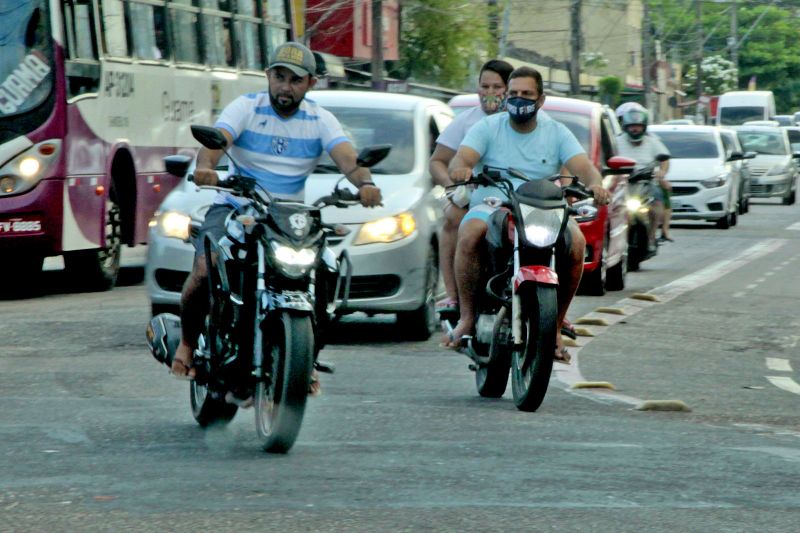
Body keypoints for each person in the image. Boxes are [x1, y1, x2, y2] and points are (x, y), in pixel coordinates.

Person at [171, 42, 382, 395]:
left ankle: (304, 358)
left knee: (326, 270)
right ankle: (188, 344)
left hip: (287, 216)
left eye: (295, 80)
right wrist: (206, 168)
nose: (286, 86)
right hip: (236, 206)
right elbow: (218, 139)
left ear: (311, 84)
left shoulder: (320, 120)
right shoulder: (246, 108)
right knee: (206, 268)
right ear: (268, 76)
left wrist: (366, 184)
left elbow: (348, 159)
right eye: (279, 77)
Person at [445, 66, 610, 363]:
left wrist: (596, 185)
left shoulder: (556, 131)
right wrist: (462, 167)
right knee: (469, 234)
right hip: (493, 203)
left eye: (527, 94)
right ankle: (467, 318)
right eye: (515, 94)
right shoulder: (487, 127)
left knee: (576, 243)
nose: (519, 99)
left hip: (541, 207)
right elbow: (463, 156)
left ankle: (557, 324)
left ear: (541, 99)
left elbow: (583, 166)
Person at [428, 59, 514, 312]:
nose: (489, 93)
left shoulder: (528, 121)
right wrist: (452, 187)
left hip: (520, 197)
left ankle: (554, 312)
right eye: (484, 86)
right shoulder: (466, 121)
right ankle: (454, 296)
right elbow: (438, 162)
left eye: (497, 87)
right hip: (477, 195)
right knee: (453, 218)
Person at [615, 106, 672, 245]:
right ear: (625, 127)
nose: (635, 129)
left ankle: (654, 234)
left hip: (646, 182)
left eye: (638, 126)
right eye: (632, 126)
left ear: (644, 127)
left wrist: (661, 173)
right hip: (623, 182)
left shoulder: (652, 141)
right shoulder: (616, 141)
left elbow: (664, 159)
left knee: (658, 202)